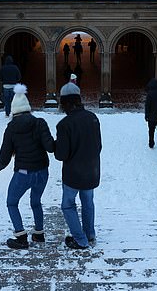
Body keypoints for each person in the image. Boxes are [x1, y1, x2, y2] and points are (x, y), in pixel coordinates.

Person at [0, 84, 55, 249]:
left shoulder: (11, 128)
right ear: (28, 108)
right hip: (42, 172)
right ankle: (39, 234)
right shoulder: (40, 123)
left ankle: (20, 237)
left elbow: (5, 154)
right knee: (36, 201)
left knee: (12, 202)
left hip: (23, 173)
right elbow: (50, 147)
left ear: (14, 110)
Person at [55, 82, 102, 250]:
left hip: (73, 174)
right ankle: (90, 235)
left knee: (68, 204)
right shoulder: (93, 118)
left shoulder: (64, 124)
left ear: (65, 103)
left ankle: (80, 240)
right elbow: (99, 146)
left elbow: (61, 154)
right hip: (92, 171)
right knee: (88, 202)